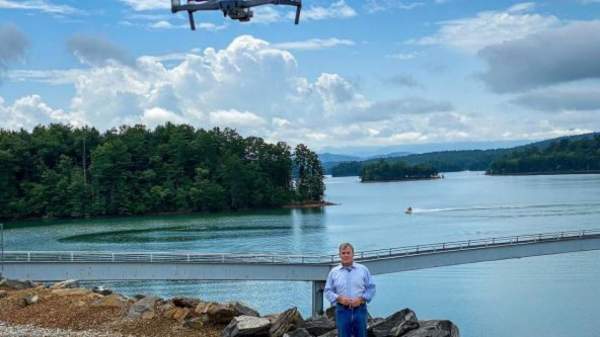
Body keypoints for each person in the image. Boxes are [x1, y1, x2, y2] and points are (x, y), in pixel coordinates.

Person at [324, 243, 376, 337]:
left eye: (348, 253)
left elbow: (371, 288)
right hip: (342, 310)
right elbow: (328, 291)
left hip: (360, 310)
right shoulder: (334, 272)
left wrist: (361, 299)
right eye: (343, 253)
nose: (346, 255)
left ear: (353, 254)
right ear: (339, 255)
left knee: (361, 335)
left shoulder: (363, 270)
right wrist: (339, 298)